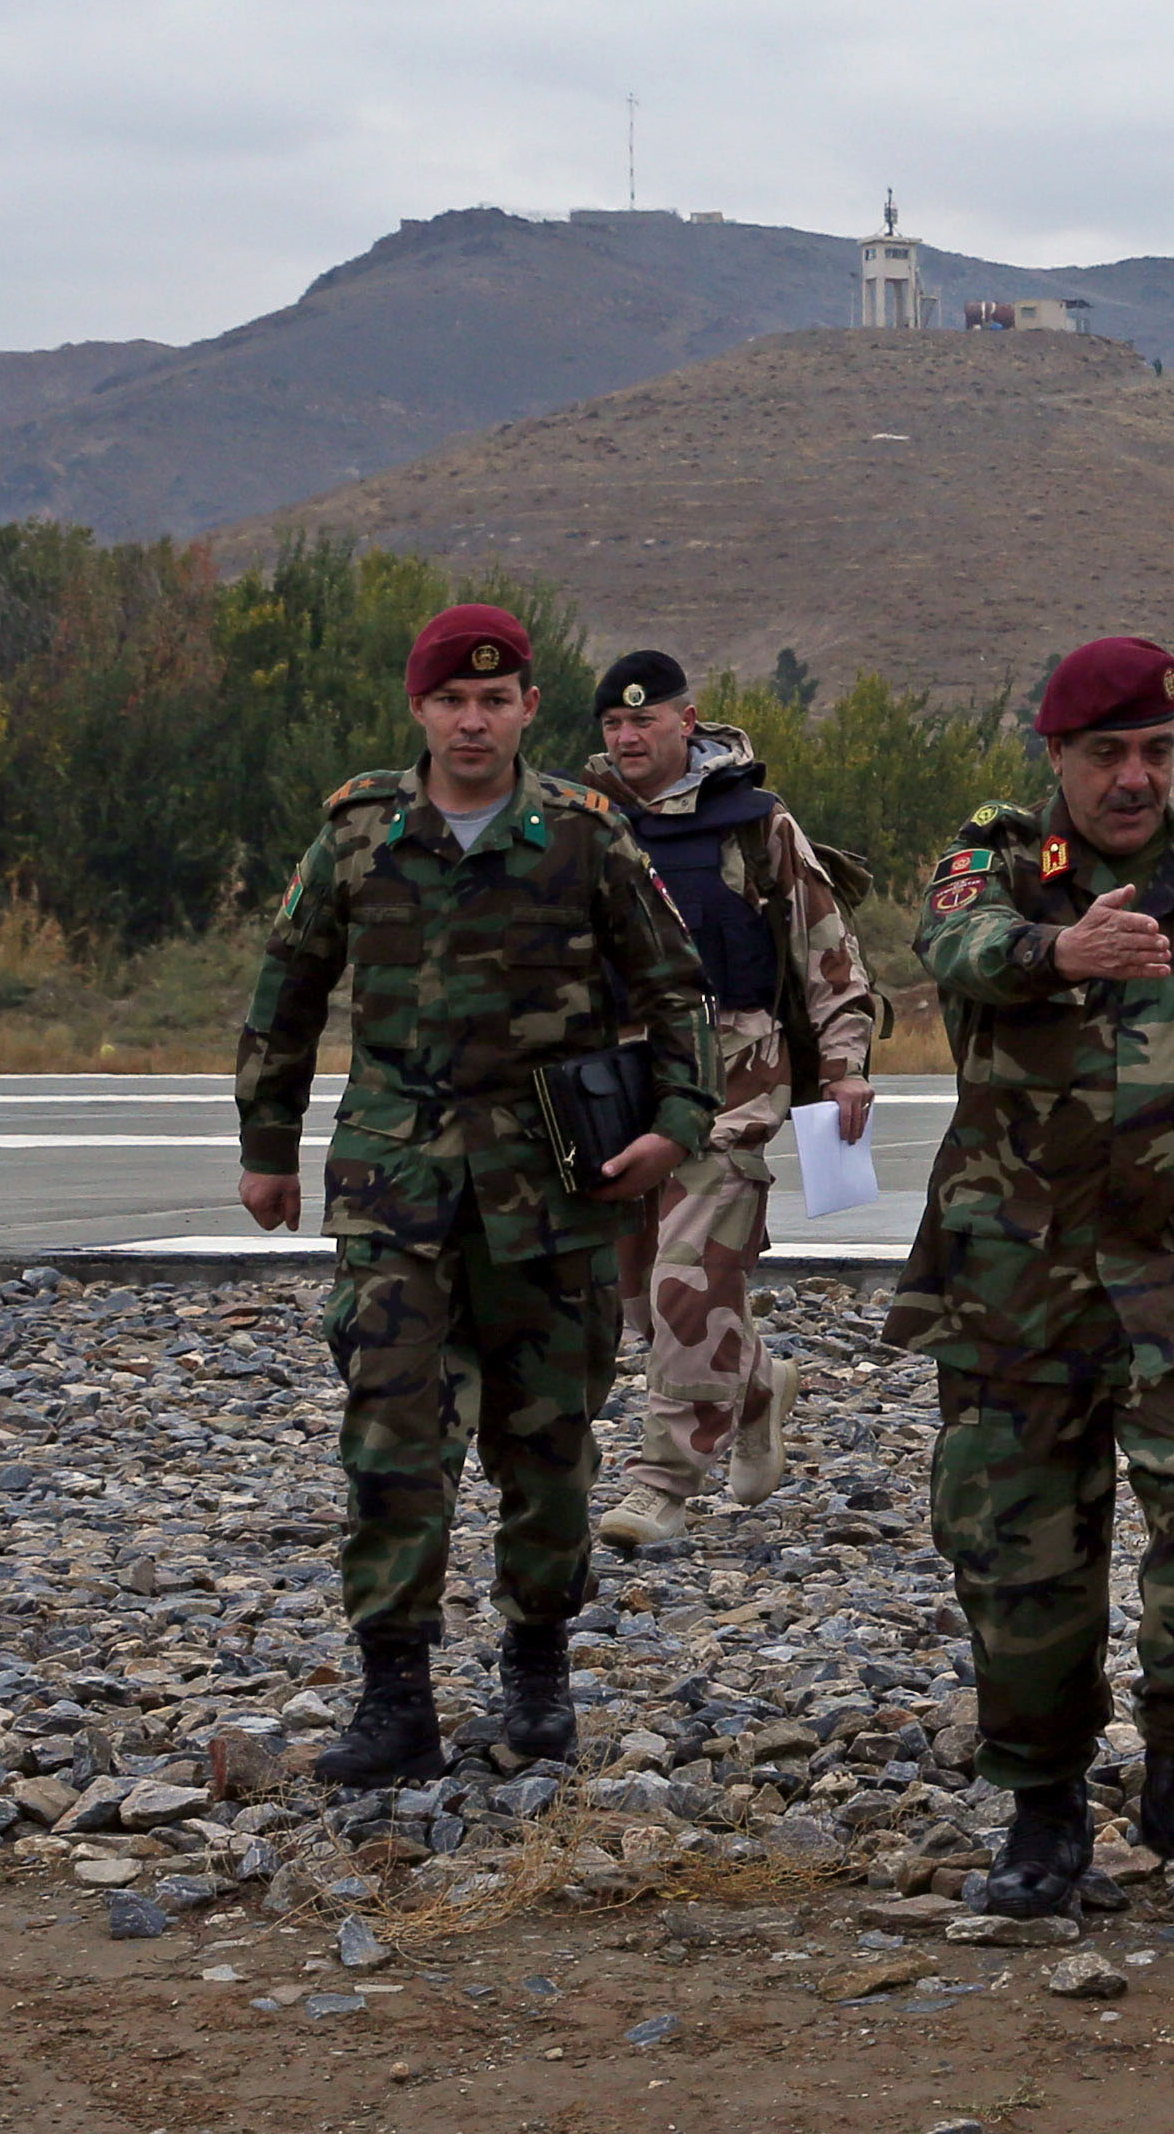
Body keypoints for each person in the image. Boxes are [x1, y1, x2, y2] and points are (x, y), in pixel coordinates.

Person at [236, 603, 718, 1787]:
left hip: (548, 1189)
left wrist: (676, 1125)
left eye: (494, 700)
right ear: (419, 707)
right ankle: (394, 1693)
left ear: (526, 709)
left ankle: (537, 1672)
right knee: (392, 1441)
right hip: (393, 1190)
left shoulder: (584, 834)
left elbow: (675, 988)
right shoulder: (358, 836)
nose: (471, 720)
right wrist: (267, 1145)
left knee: (546, 1446)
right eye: (451, 699)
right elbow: (287, 989)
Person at [881, 636, 1174, 1915]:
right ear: (1057, 754)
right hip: (1018, 1270)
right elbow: (954, 945)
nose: (1134, 777)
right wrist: (1057, 953)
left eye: (1155, 751)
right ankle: (1042, 1797)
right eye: (1107, 752)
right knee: (1018, 1549)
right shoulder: (999, 863)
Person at [584, 650, 885, 1550]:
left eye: (644, 720)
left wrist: (844, 1065)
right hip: (621, 1082)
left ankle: (661, 1486)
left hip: (734, 1077)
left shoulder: (754, 823)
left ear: (687, 721)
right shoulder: (582, 821)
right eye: (613, 725)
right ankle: (757, 1387)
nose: (627, 738)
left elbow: (826, 946)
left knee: (686, 1276)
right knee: (642, 1298)